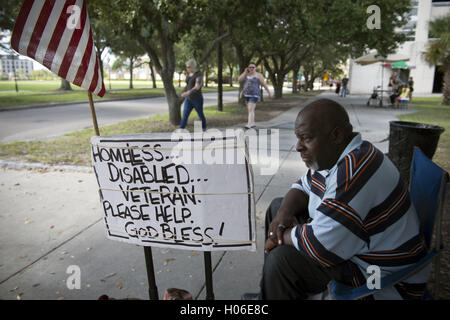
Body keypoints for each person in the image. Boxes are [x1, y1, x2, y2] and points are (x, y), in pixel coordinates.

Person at [244, 98, 429, 300]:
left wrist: (279, 236)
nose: (298, 147)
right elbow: (303, 187)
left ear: (336, 135)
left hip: (379, 274)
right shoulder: (337, 155)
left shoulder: (355, 171)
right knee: (278, 206)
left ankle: (276, 288)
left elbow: (320, 246)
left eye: (306, 138)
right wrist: (281, 217)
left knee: (282, 261)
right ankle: (272, 291)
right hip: (359, 251)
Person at [238, 62, 272, 129]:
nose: (251, 68)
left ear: (255, 68)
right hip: (246, 94)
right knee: (250, 110)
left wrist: (269, 92)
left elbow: (264, 84)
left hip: (254, 94)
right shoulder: (246, 74)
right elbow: (239, 80)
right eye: (250, 67)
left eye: (253, 67)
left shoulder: (258, 75)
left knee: (251, 109)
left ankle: (249, 124)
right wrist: (245, 72)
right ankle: (252, 123)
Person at [179, 59, 206, 131]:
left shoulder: (198, 74)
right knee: (185, 114)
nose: (187, 68)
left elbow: (197, 86)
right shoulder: (188, 74)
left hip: (197, 99)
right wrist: (185, 92)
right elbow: (188, 85)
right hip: (189, 99)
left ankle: (203, 128)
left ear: (193, 66)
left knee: (200, 114)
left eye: (188, 67)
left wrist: (188, 92)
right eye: (186, 67)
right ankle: (181, 129)